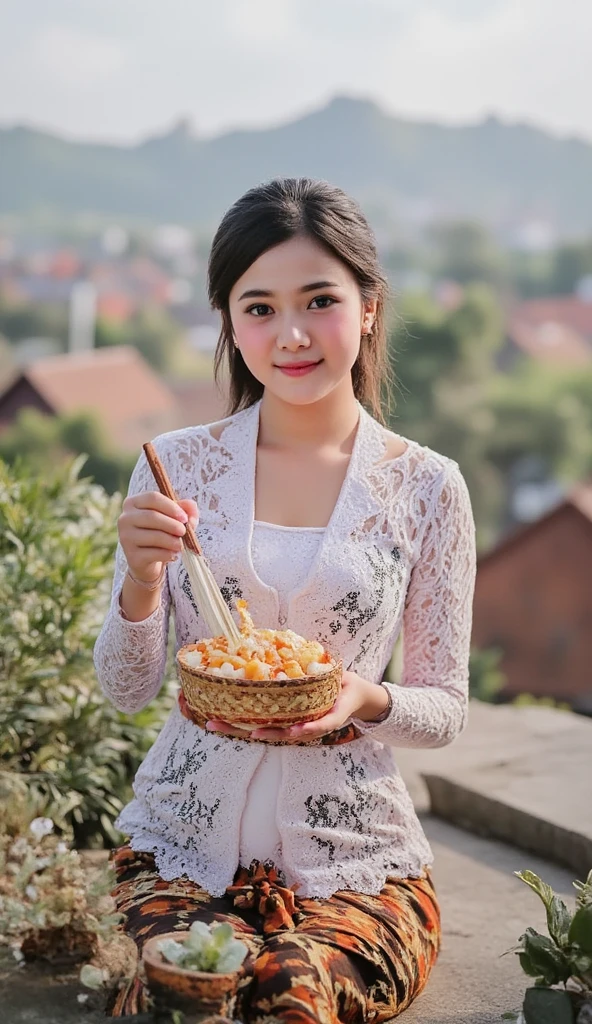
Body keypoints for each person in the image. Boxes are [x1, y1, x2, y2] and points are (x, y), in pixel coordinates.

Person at [94, 177, 477, 1022]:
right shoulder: (175, 466)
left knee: (292, 995)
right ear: (230, 322)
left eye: (320, 301)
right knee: (178, 997)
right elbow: (126, 687)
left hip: (359, 865)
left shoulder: (426, 489)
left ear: (369, 307)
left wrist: (363, 698)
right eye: (258, 307)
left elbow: (445, 708)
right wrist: (142, 577)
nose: (291, 334)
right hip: (180, 850)